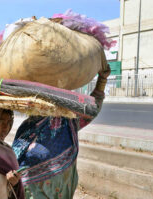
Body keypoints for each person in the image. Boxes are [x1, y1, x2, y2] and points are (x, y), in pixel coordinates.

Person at [12, 66, 111, 199]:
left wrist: (102, 80)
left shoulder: (67, 122)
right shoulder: (27, 126)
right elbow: (15, 160)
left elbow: (92, 108)